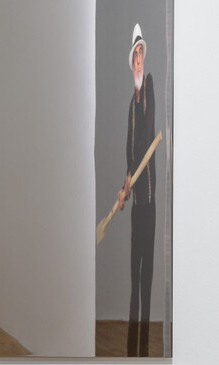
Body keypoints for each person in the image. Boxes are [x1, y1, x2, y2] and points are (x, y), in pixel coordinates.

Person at [117, 23, 156, 357]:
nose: (139, 60)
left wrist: (134, 177)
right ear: (131, 62)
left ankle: (144, 348)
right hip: (135, 204)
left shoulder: (149, 89)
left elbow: (146, 137)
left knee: (147, 279)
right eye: (136, 55)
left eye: (142, 53)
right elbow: (130, 153)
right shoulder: (131, 104)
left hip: (149, 202)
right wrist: (124, 187)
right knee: (134, 277)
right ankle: (132, 352)